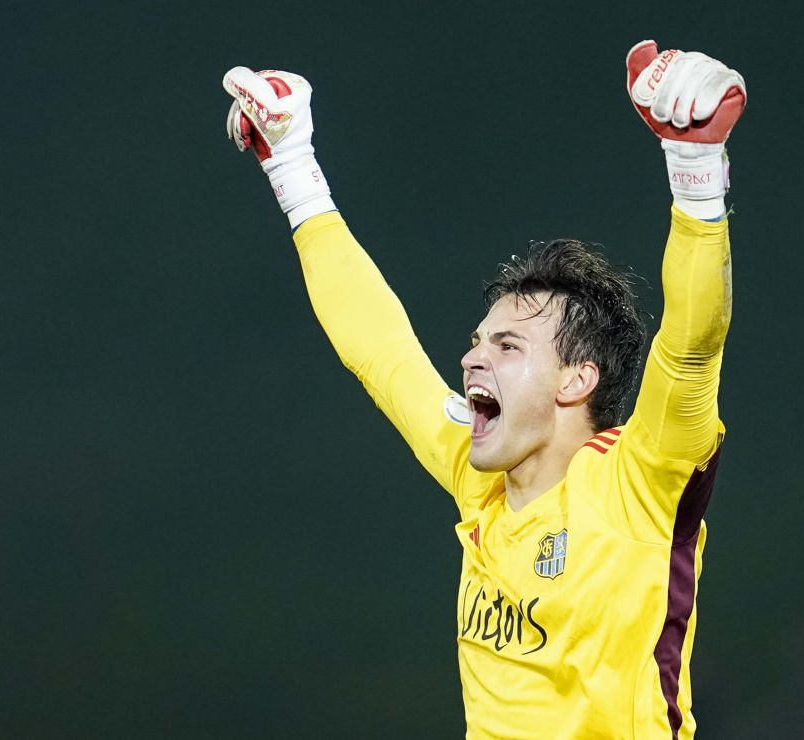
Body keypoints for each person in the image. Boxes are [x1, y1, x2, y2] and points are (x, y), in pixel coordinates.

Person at [222, 40, 745, 740]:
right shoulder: (481, 476)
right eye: (477, 340)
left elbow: (691, 345)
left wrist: (696, 171)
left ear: (577, 379)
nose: (472, 359)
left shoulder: (640, 479)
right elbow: (379, 350)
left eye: (506, 345)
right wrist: (291, 163)